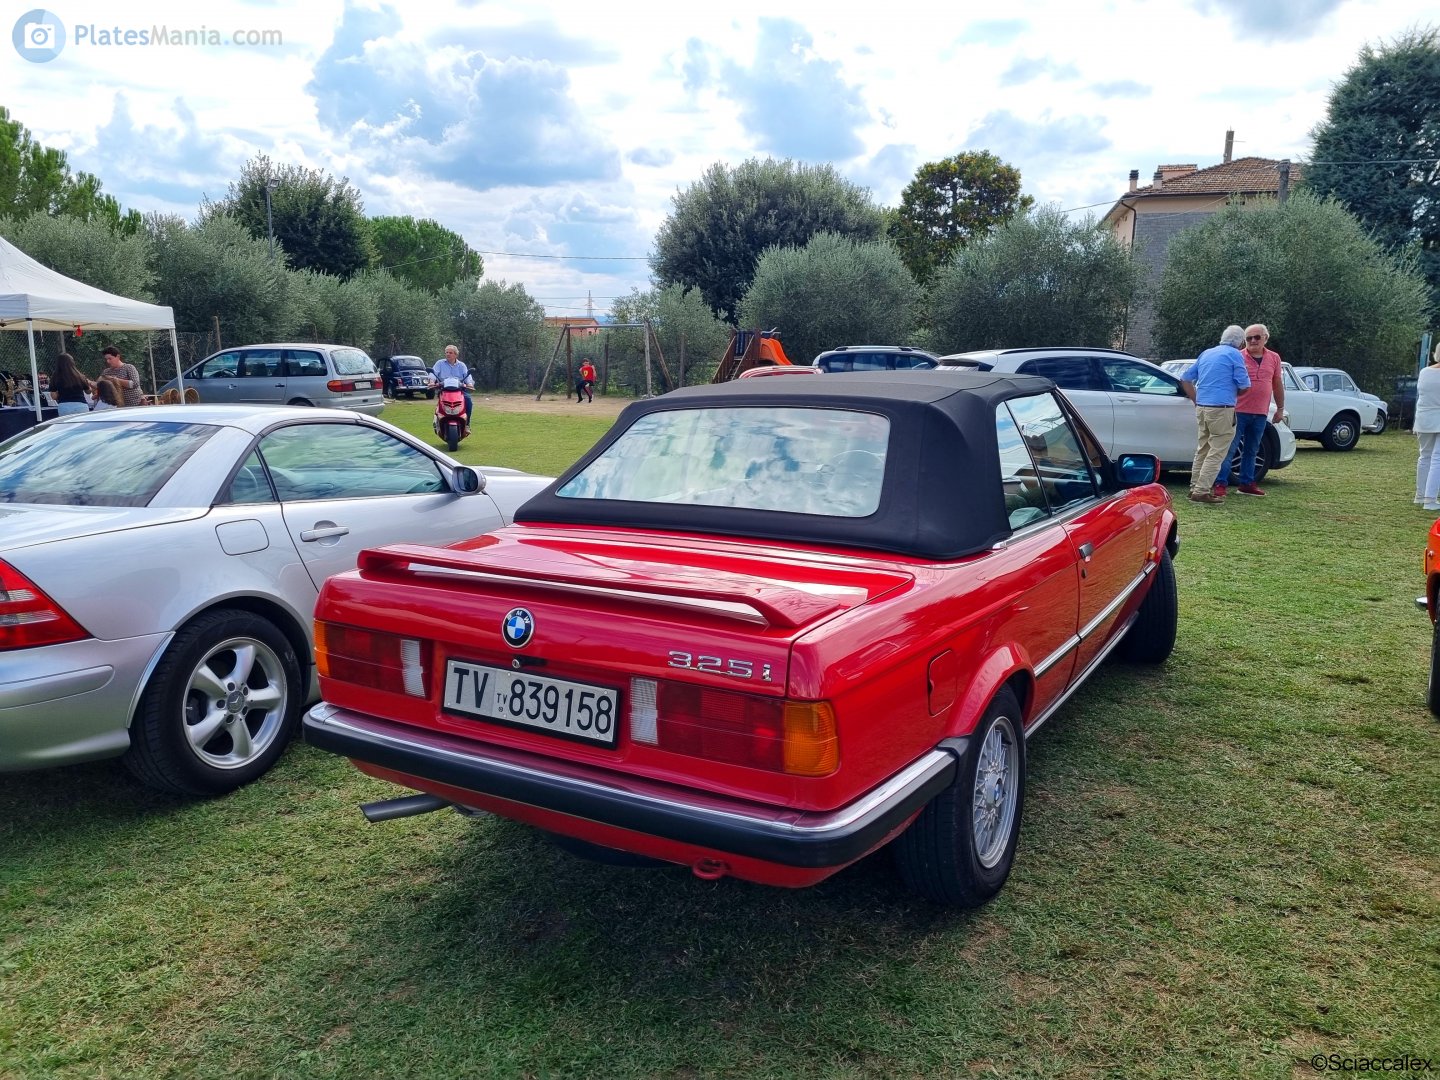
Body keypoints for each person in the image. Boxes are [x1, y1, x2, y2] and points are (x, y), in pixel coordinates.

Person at [1179, 325, 1250, 504]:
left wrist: (1196, 400)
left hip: (1202, 407)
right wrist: (1233, 393)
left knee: (1203, 448)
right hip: (1222, 408)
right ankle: (1202, 491)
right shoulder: (1235, 355)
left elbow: (1185, 379)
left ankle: (1194, 487)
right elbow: (1244, 385)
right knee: (1217, 451)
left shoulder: (1207, 353)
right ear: (1241, 342)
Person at [1219, 323, 1287, 497]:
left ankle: (1247, 483)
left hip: (1261, 412)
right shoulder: (1237, 356)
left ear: (1266, 338)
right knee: (1229, 448)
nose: (1253, 341)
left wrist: (1280, 408)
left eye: (1257, 337)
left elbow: (1277, 383)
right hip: (1237, 411)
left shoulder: (1274, 358)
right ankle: (1220, 484)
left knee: (1252, 449)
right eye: (1248, 338)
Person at [1414, 344, 1440, 510]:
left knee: (1425, 456)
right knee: (1438, 458)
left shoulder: (1424, 372)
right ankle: (1430, 500)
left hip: (1423, 418)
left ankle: (1420, 495)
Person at [432, 344, 473, 425]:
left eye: (450, 353)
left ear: (456, 354)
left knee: (468, 400)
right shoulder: (439, 363)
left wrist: (469, 384)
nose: (448, 354)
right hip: (444, 389)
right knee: (441, 402)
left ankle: (467, 424)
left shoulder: (462, 365)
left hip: (459, 390)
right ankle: (437, 418)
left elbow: (467, 376)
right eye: (446, 352)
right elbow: (433, 373)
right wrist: (431, 381)